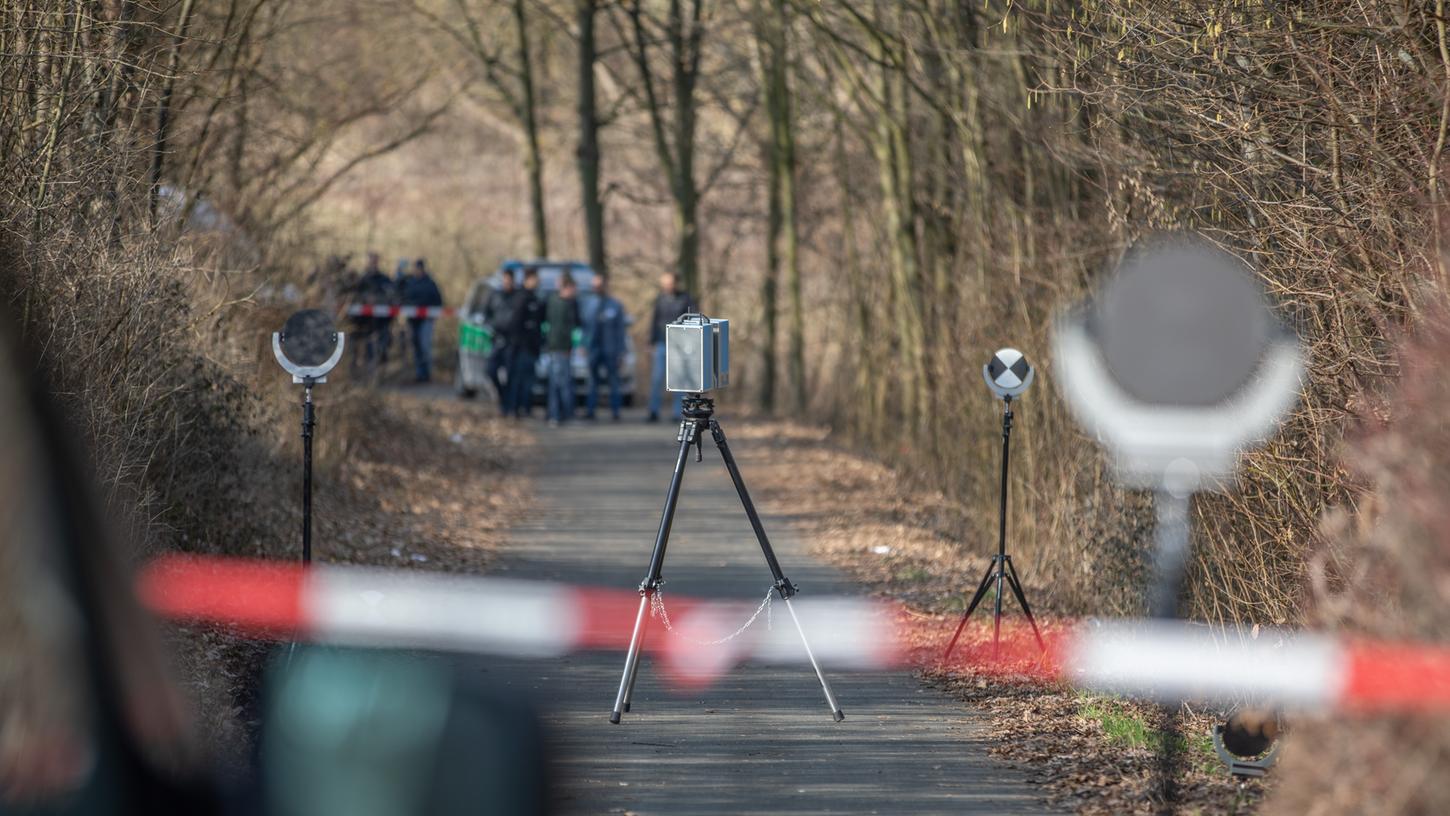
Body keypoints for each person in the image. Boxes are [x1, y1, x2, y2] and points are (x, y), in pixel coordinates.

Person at [647, 272, 697, 422]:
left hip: (680, 345)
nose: (667, 286)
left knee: (679, 379)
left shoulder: (686, 298)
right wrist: (650, 342)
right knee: (657, 378)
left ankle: (678, 412)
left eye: (669, 283)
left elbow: (693, 320)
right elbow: (655, 321)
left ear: (676, 283)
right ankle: (653, 411)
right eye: (665, 283)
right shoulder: (660, 299)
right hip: (662, 343)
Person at [583, 272, 628, 421]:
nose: (596, 288)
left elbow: (621, 330)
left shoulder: (615, 305)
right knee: (592, 381)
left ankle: (615, 411)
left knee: (614, 381)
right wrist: (582, 344)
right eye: (594, 286)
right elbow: (585, 327)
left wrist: (622, 352)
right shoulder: (589, 304)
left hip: (611, 350)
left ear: (605, 286)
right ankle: (590, 410)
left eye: (599, 285)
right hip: (593, 349)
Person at [503, 266, 543, 417]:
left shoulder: (534, 298)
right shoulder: (521, 298)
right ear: (529, 279)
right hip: (521, 348)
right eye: (536, 278)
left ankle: (524, 408)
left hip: (531, 348)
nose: (538, 281)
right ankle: (515, 408)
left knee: (528, 381)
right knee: (518, 380)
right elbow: (515, 324)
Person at [543, 274, 581, 426]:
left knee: (560, 382)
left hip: (560, 348)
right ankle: (558, 414)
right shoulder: (558, 303)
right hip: (559, 349)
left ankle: (559, 414)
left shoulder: (565, 302)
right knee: (559, 383)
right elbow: (559, 329)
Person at [401, 258, 444, 383]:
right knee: (416, 347)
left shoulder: (430, 284)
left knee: (425, 346)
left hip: (426, 320)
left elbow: (438, 301)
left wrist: (432, 314)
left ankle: (428, 373)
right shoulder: (410, 283)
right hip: (413, 320)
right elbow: (403, 298)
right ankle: (419, 373)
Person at [483, 269, 516, 410]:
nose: (507, 283)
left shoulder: (517, 297)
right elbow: (486, 314)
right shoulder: (495, 295)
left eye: (509, 280)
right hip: (496, 339)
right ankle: (502, 396)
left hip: (511, 341)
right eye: (505, 280)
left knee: (511, 374)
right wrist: (492, 328)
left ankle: (508, 404)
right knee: (490, 370)